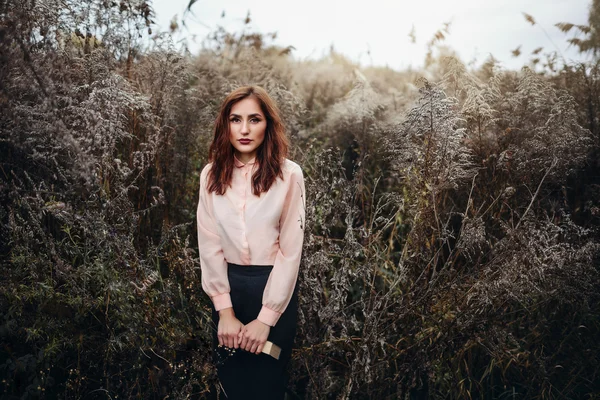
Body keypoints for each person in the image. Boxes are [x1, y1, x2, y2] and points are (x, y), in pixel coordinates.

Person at [196, 85, 306, 399]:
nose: (244, 129)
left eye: (254, 120)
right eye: (236, 119)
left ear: (267, 125)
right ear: (225, 125)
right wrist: (225, 312)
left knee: (266, 385)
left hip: (274, 290)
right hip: (228, 291)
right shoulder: (211, 175)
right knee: (231, 383)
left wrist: (265, 318)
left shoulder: (289, 175)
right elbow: (209, 243)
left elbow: (290, 250)